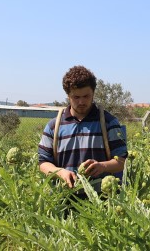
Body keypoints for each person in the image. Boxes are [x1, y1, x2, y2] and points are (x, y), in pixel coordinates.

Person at [38, 65, 128, 198]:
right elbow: (43, 163)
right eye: (76, 97)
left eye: (86, 96)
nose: (81, 101)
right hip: (63, 201)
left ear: (93, 93)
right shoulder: (53, 126)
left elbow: (122, 161)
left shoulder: (109, 123)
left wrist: (103, 166)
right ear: (68, 96)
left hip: (102, 202)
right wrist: (60, 172)